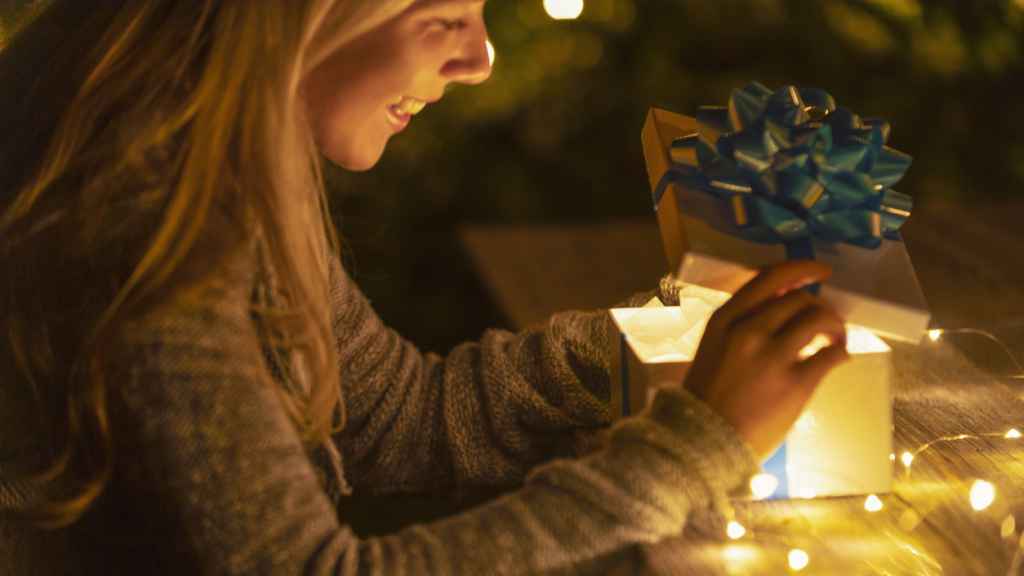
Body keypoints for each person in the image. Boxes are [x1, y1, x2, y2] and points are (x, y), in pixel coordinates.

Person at [0, 1, 849, 574]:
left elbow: (395, 418)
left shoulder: (234, 155)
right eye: (445, 14)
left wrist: (659, 338)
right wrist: (690, 450)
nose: (481, 60)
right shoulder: (146, 216)